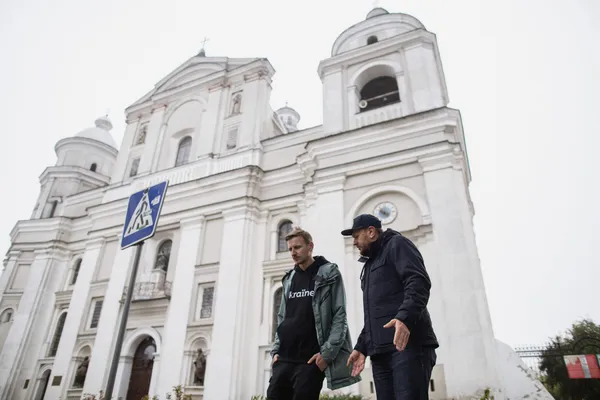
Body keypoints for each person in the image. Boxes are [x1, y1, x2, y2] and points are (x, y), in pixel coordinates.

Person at [342, 214, 438, 399]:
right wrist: (362, 347)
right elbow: (374, 313)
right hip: (380, 353)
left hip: (408, 347)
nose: (354, 242)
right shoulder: (369, 265)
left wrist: (404, 318)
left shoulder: (398, 244)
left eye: (356, 236)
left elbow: (418, 282)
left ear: (371, 232)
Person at [267, 227, 361, 399]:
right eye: (290, 249)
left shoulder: (328, 273)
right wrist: (275, 352)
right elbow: (282, 318)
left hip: (310, 361)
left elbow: (339, 315)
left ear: (310, 246)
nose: (293, 253)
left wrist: (326, 355)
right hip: (284, 359)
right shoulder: (289, 278)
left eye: (297, 247)